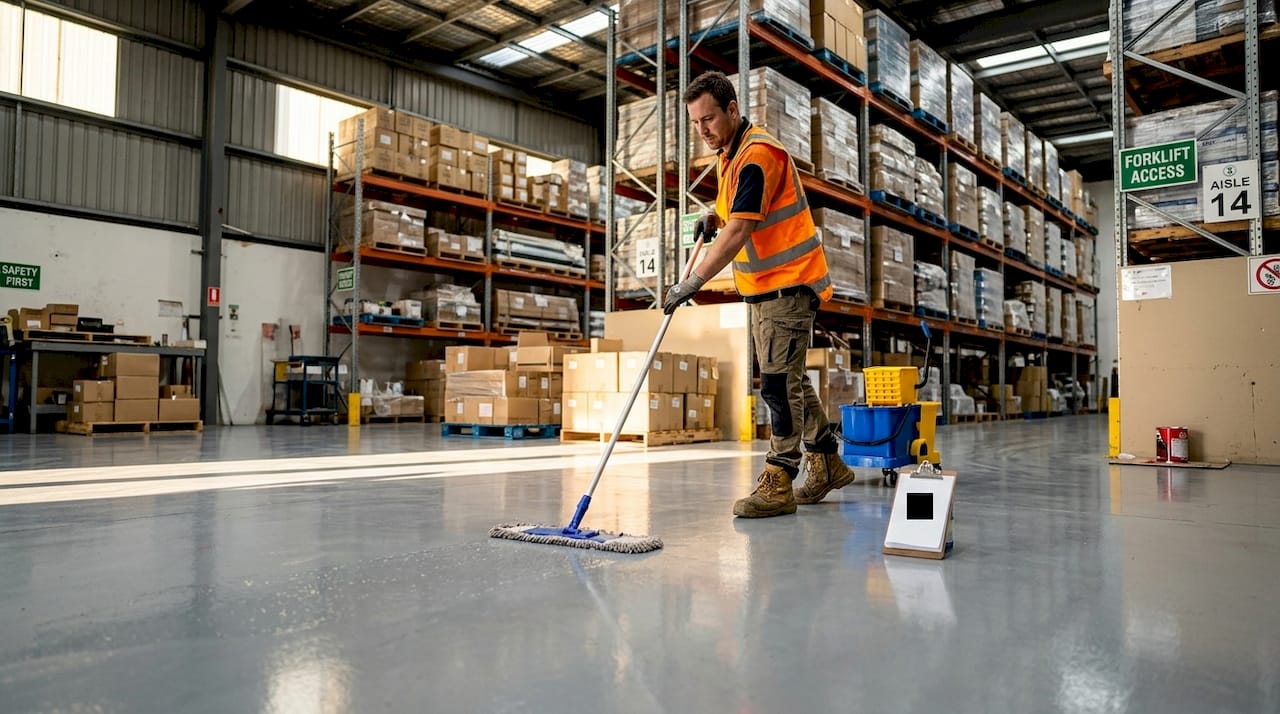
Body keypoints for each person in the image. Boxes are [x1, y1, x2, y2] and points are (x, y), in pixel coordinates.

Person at [664, 71, 856, 518]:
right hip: (767, 288)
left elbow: (741, 230)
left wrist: (695, 281)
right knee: (789, 379)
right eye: (695, 123)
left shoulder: (756, 155)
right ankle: (827, 462)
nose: (702, 130)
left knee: (775, 384)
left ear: (733, 109)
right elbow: (735, 212)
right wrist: (714, 215)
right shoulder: (732, 154)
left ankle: (780, 476)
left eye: (708, 119)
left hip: (787, 285)